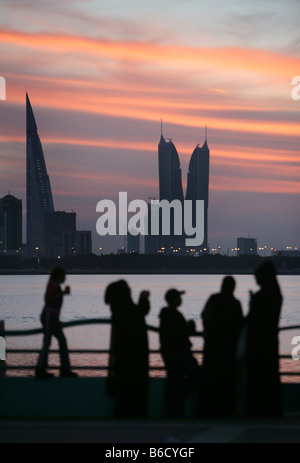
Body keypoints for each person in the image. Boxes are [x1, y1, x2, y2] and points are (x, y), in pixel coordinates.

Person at [105, 280, 150, 418]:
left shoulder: (117, 310)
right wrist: (143, 299)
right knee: (135, 389)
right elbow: (141, 311)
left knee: (123, 391)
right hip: (135, 356)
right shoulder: (129, 310)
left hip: (120, 357)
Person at [201, 276, 243, 416]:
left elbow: (204, 315)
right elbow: (240, 324)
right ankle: (226, 410)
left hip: (212, 347)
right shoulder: (235, 303)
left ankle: (208, 410)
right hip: (228, 349)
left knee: (211, 380)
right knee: (227, 382)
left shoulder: (213, 299)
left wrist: (209, 332)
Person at [245, 262, 283, 417]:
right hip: (271, 340)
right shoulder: (276, 294)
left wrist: (252, 302)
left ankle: (258, 408)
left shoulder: (262, 296)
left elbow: (254, 317)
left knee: (258, 376)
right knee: (271, 375)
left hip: (259, 342)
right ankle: (273, 408)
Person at [159, 289, 200, 418]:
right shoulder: (175, 315)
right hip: (179, 353)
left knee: (173, 380)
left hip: (169, 353)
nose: (181, 299)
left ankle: (173, 410)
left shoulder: (166, 314)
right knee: (196, 374)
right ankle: (180, 398)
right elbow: (181, 333)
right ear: (175, 300)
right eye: (178, 297)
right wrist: (191, 326)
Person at [36, 267, 77, 379]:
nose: (65, 278)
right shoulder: (52, 284)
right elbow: (47, 299)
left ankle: (65, 369)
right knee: (47, 342)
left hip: (53, 318)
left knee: (61, 341)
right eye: (63, 275)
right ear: (58, 276)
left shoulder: (55, 285)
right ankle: (40, 370)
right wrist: (63, 293)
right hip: (49, 316)